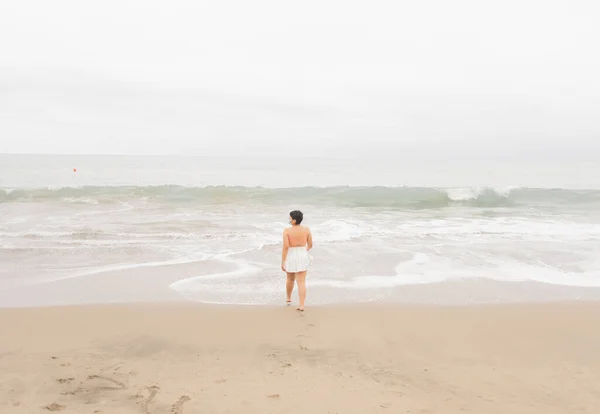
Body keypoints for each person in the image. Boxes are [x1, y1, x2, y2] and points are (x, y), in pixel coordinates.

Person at [281, 210, 313, 311]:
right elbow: (310, 245)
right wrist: (303, 251)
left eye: (290, 218)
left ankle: (288, 298)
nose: (289, 220)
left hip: (291, 254)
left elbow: (286, 247)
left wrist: (283, 261)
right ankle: (302, 305)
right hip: (302, 253)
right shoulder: (307, 229)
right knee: (301, 281)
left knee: (290, 279)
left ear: (294, 220)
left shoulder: (287, 231)